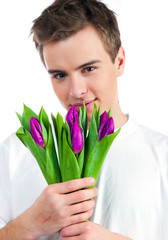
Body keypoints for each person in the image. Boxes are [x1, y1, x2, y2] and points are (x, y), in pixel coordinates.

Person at [0, 0, 168, 239]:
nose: (76, 91)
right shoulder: (14, 154)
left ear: (119, 61)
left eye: (88, 69)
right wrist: (29, 225)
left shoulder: (162, 157)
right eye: (60, 75)